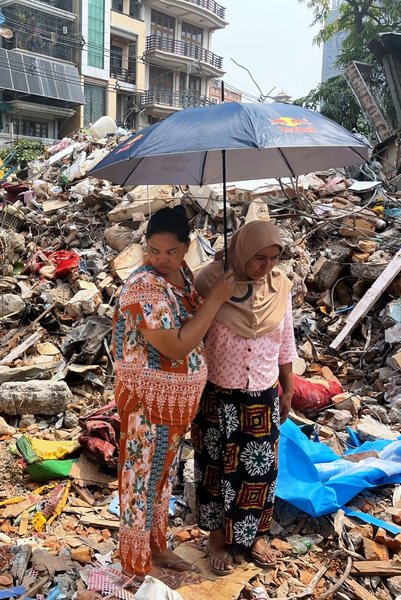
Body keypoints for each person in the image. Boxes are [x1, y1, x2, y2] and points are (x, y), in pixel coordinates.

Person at [113, 206, 236, 583]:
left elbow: (188, 314)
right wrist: (216, 298)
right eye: (153, 250)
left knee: (161, 479)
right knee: (139, 479)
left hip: (175, 405)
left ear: (186, 249)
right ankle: (135, 567)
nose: (160, 259)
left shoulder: (181, 276)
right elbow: (178, 347)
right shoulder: (144, 286)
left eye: (170, 251)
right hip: (147, 403)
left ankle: (158, 548)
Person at [192, 220, 298, 575]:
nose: (265, 266)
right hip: (218, 395)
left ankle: (254, 535)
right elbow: (193, 335)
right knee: (216, 468)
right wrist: (219, 296)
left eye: (273, 258)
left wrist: (288, 388)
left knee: (259, 470)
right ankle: (219, 537)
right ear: (240, 252)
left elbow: (286, 341)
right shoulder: (209, 282)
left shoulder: (279, 287)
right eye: (257, 258)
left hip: (263, 395)